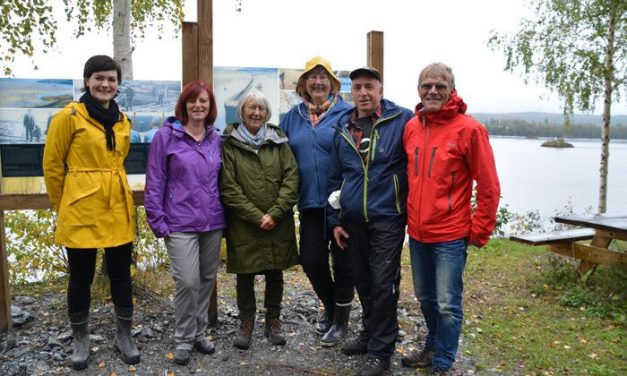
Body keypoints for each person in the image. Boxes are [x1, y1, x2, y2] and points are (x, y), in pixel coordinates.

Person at [401, 63, 501, 375]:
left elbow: (489, 186)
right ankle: (432, 347)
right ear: (419, 90)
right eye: (426, 85)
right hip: (417, 233)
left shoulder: (469, 129)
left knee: (447, 303)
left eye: (439, 86)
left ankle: (442, 362)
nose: (432, 91)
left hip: (450, 235)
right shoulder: (412, 127)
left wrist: (480, 229)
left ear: (451, 90)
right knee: (426, 297)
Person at [42, 55, 140, 370]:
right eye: (99, 78)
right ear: (87, 80)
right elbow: (53, 166)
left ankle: (124, 335)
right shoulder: (68, 117)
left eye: (111, 79)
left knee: (121, 276)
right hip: (80, 208)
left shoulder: (123, 120)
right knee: (80, 278)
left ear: (117, 84)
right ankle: (80, 339)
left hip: (117, 206)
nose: (105, 84)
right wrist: (63, 207)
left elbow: (119, 160)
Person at [327, 67, 414, 376]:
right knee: (362, 280)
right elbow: (336, 176)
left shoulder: (402, 119)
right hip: (352, 217)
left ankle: (381, 350)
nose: (363, 92)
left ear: (380, 90)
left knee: (382, 282)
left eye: (370, 87)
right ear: (352, 91)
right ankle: (368, 334)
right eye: (358, 87)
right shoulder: (342, 124)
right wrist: (334, 218)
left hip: (387, 216)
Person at [144, 80, 225, 365]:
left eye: (203, 101)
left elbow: (222, 181)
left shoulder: (216, 139)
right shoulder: (166, 137)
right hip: (179, 222)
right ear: (184, 105)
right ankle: (183, 338)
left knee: (205, 280)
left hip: (212, 221)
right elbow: (155, 181)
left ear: (210, 106)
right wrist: (158, 221)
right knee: (187, 282)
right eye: (193, 100)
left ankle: (200, 332)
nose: (198, 105)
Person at [279, 56, 355, 346]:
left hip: (343, 203)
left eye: (324, 77)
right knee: (311, 260)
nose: (318, 81)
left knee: (344, 263)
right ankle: (334, 307)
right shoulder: (292, 117)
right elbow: (277, 157)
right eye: (312, 77)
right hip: (309, 202)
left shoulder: (347, 114)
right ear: (303, 85)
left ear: (333, 84)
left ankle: (340, 323)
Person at [220, 89, 299, 350]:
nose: (256, 112)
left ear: (267, 113)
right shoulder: (229, 144)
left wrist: (275, 213)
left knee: (275, 272)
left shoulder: (279, 141)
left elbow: (291, 178)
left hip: (278, 220)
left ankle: (273, 320)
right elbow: (229, 187)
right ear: (241, 111)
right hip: (244, 222)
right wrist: (257, 216)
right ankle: (246, 322)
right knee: (245, 273)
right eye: (251, 107)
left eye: (261, 108)